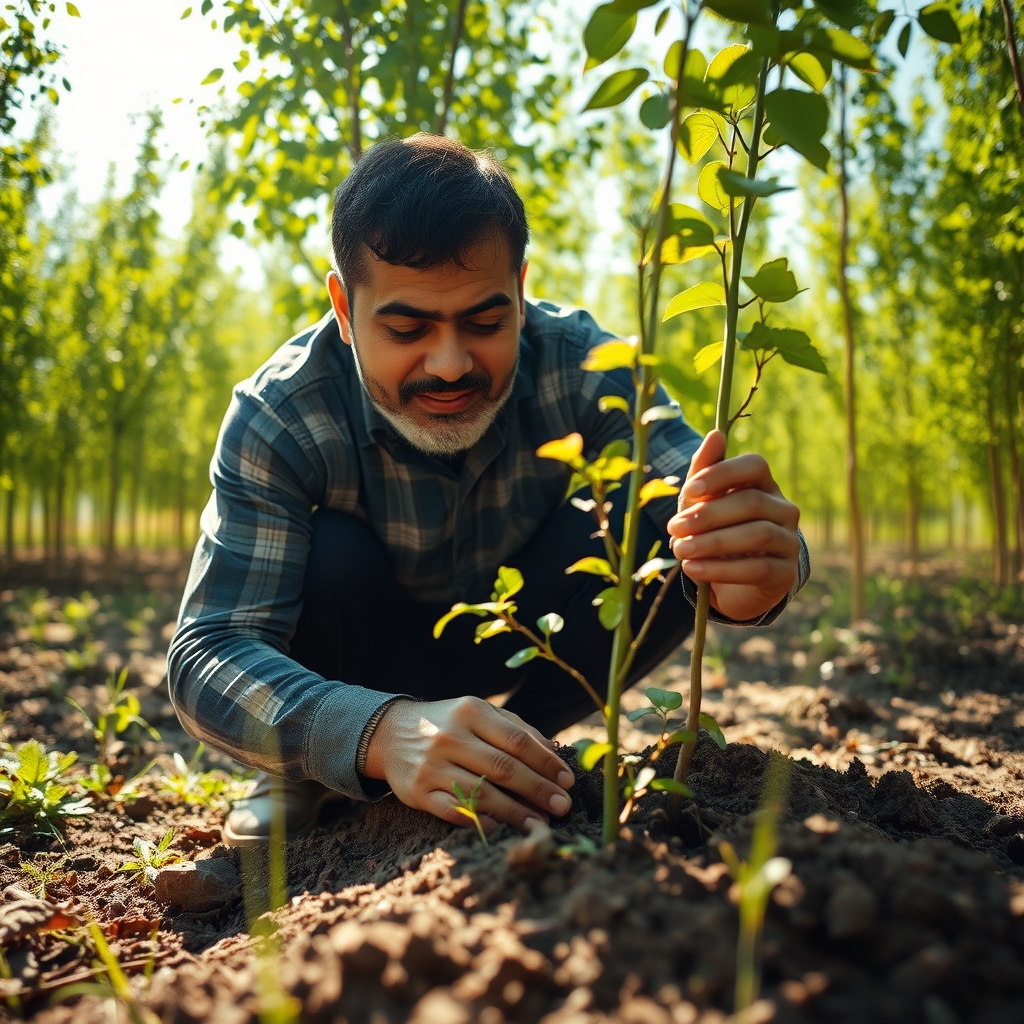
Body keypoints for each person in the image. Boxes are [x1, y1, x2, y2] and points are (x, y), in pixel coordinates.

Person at [167, 133, 808, 846]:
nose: (449, 364)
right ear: (345, 311)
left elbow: (700, 496)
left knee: (652, 514)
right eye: (407, 327)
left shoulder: (585, 366)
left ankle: (511, 752)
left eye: (485, 321)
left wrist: (755, 569)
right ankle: (303, 772)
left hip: (523, 637)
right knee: (333, 553)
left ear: (521, 290)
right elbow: (210, 651)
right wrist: (378, 730)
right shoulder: (281, 415)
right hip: (358, 652)